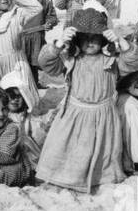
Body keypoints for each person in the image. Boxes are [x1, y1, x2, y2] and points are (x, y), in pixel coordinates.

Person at [35, 10, 132, 193]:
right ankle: (64, 180)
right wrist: (59, 44)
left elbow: (133, 64)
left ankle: (99, 180)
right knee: (68, 151)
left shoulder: (111, 61)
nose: (90, 42)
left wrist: (120, 41)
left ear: (103, 39)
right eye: (84, 37)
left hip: (103, 115)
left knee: (102, 155)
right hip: (74, 114)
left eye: (95, 37)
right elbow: (45, 62)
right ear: (77, 39)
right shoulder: (71, 60)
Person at [15, 0, 58, 72]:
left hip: (37, 36)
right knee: (20, 63)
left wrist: (49, 23)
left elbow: (51, 14)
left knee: (35, 63)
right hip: (20, 36)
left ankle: (35, 84)